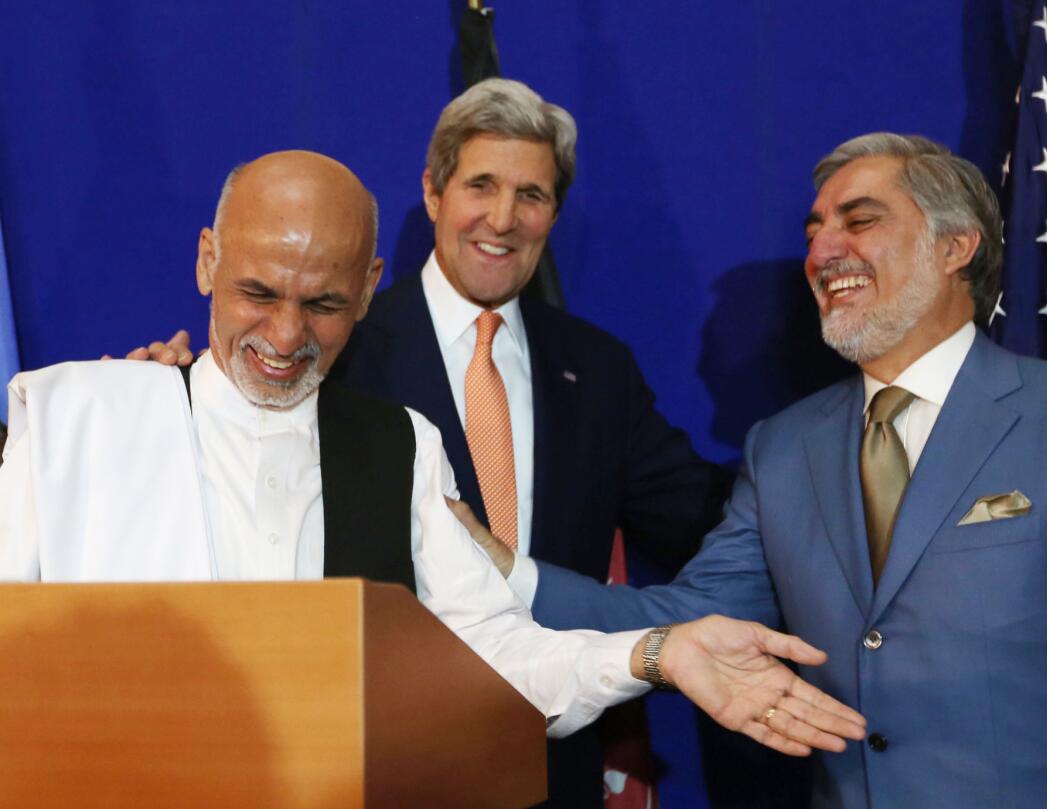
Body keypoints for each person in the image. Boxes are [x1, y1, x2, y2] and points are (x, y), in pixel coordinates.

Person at [0, 149, 868, 768]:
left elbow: (494, 656)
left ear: (374, 284)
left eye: (327, 303)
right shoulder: (78, 421)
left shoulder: (401, 444)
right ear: (206, 261)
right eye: (258, 292)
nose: (286, 336)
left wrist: (655, 651)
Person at [462, 133, 1047, 808]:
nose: (823, 251)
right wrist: (503, 569)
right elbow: (686, 621)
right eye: (815, 230)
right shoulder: (783, 448)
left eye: (860, 219)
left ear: (955, 247)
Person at [135, 78, 732, 806]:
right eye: (482, 183)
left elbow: (701, 524)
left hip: (542, 760)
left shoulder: (595, 369)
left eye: (532, 195)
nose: (503, 218)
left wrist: (819, 490)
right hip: (332, 767)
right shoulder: (321, 343)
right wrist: (147, 396)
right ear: (434, 191)